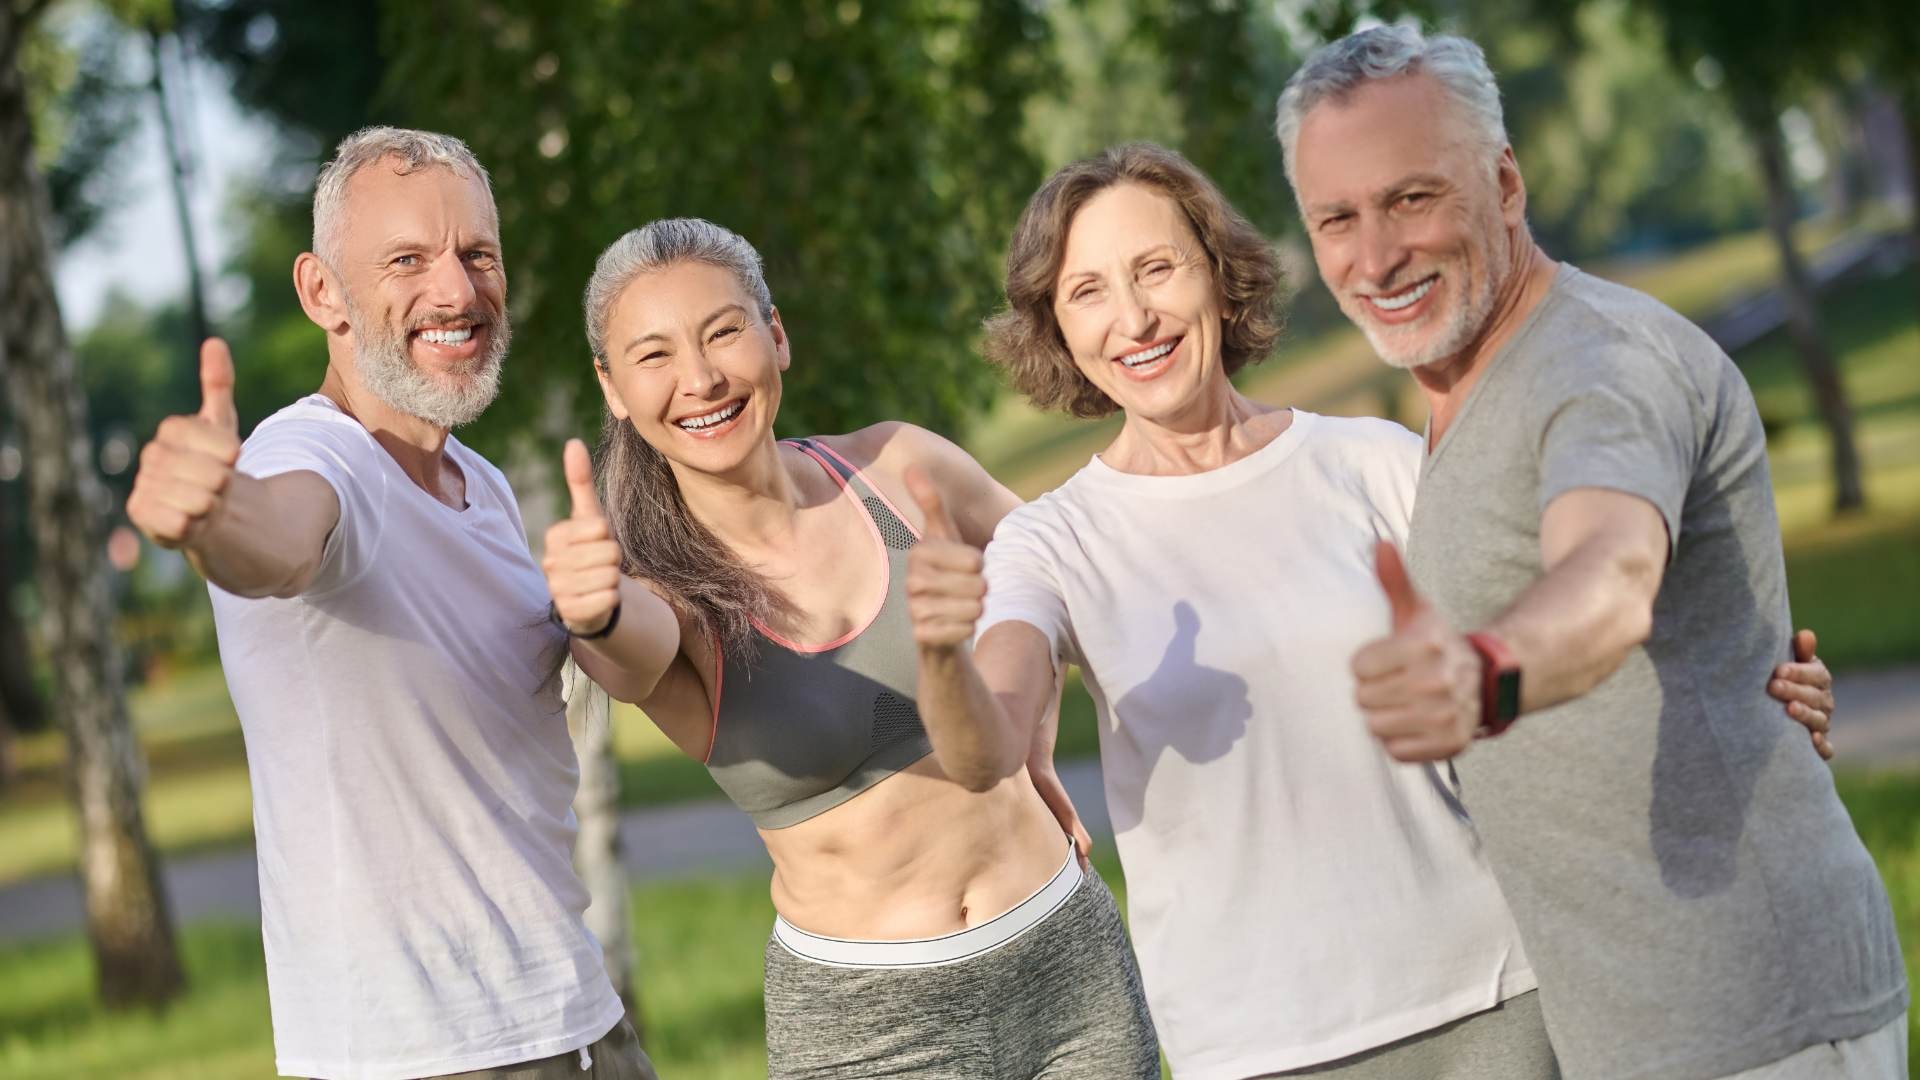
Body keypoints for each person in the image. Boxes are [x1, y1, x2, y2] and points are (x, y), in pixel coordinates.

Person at [902, 142, 1839, 1080]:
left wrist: (1747, 690)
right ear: (1056, 329)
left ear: (1221, 280)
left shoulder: (1376, 464)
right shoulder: (1054, 542)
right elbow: (987, 751)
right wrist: (945, 653)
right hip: (1255, 1044)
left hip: (1496, 996)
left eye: (1157, 269)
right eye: (1088, 292)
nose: (1134, 317)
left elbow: (1556, 647)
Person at [1277, 26, 1908, 1079]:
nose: (1374, 256)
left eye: (1412, 199)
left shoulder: (1597, 367)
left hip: (1758, 1013)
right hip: (1639, 1026)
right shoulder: (1465, 398)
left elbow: (1609, 575)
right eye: (1337, 218)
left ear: (1507, 184)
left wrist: (1487, 672)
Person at [539, 217, 1159, 1079]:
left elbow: (1066, 591)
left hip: (1068, 959)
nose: (701, 377)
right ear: (613, 388)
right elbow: (623, 650)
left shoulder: (903, 470)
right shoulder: (663, 596)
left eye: (724, 331)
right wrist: (591, 609)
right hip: (873, 1024)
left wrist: (1035, 732)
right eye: (654, 356)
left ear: (777, 335)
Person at [125, 127, 655, 1080]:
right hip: (426, 1056)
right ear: (322, 291)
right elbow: (277, 540)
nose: (456, 292)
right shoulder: (313, 459)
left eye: (476, 254)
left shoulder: (482, 486)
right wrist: (209, 519)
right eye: (406, 259)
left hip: (579, 1026)